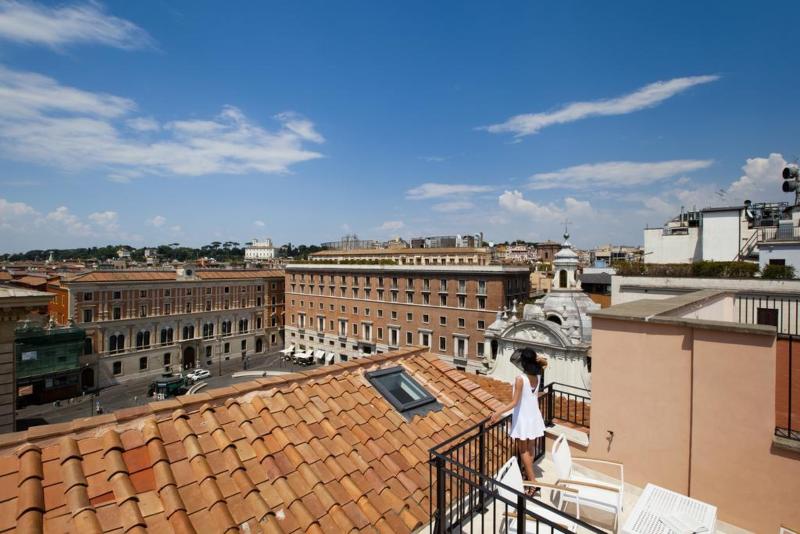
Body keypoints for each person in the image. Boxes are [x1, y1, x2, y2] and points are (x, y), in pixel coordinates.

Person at [490, 348, 547, 497]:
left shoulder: (520, 379)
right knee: (530, 448)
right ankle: (528, 473)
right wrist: (537, 358)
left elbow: (515, 402)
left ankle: (533, 483)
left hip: (523, 417)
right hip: (534, 415)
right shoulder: (538, 375)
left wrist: (497, 412)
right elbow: (544, 362)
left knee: (523, 450)